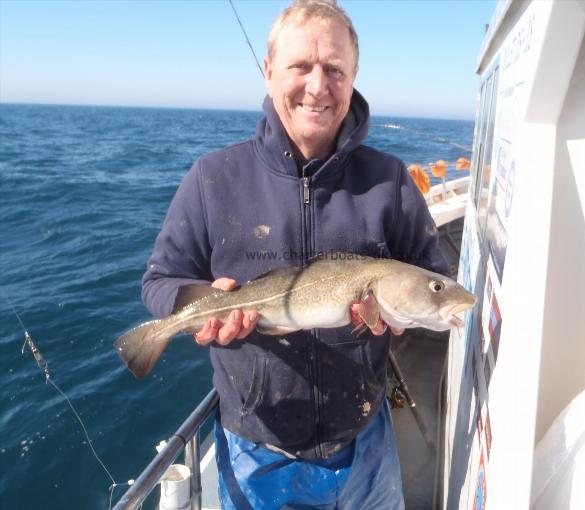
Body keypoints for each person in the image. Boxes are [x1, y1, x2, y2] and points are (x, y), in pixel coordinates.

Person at [141, 1, 449, 508]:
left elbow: (430, 274)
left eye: (334, 69)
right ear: (268, 72)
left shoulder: (390, 180)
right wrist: (198, 305)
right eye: (300, 66)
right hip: (256, 449)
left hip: (365, 437)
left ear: (353, 78)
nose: (317, 86)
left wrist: (400, 316)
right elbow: (160, 281)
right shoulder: (212, 177)